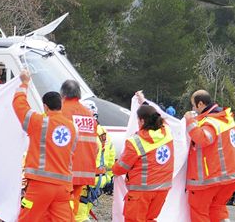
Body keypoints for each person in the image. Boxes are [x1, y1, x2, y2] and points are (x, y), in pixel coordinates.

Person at [13, 70, 77, 222]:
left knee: (27, 219)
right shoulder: (72, 128)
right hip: (63, 187)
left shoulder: (39, 122)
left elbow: (19, 105)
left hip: (41, 185)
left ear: (45, 107)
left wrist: (24, 83)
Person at [112, 93, 174, 222]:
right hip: (162, 189)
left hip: (141, 192)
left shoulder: (136, 142)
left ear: (142, 121)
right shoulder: (167, 132)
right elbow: (160, 117)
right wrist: (144, 102)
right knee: (150, 219)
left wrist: (112, 168)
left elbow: (121, 168)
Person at [184, 90, 235, 221]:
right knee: (217, 208)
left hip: (211, 178)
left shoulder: (211, 122)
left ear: (200, 104)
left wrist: (189, 121)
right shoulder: (226, 118)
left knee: (199, 211)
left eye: (193, 105)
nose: (192, 109)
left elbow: (203, 139)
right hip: (231, 176)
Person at [60, 80, 98, 215]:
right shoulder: (88, 114)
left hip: (66, 169)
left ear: (62, 94)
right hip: (84, 169)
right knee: (73, 203)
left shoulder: (61, 111)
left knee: (61, 206)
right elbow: (96, 144)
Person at [76, 100, 116, 222]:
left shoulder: (85, 133)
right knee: (84, 210)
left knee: (78, 216)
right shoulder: (104, 133)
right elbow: (110, 161)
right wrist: (109, 178)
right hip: (100, 180)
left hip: (86, 181)